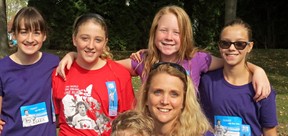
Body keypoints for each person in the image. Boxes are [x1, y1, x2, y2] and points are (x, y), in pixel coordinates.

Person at [57, 5, 270, 101]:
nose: (169, 37)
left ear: (185, 35)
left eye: (176, 32)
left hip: (186, 135)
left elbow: (231, 61)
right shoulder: (143, 61)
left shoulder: (197, 59)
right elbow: (104, 63)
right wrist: (74, 55)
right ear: (154, 32)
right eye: (164, 30)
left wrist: (257, 70)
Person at [52, 13, 135, 136]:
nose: (90, 45)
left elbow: (127, 121)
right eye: (84, 38)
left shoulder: (119, 74)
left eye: (98, 40)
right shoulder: (61, 74)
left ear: (105, 42)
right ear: (74, 39)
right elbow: (52, 119)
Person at [0, 7, 59, 136]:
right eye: (24, 32)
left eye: (36, 32)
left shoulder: (54, 64)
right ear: (14, 34)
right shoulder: (2, 69)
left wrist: (70, 55)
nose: (30, 38)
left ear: (43, 35)